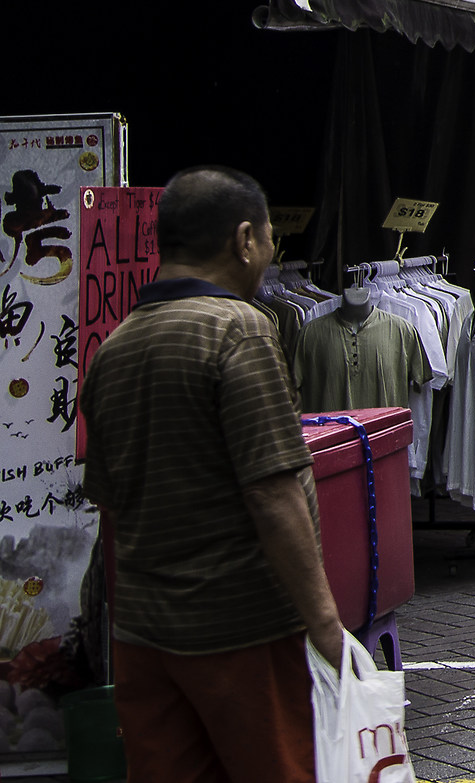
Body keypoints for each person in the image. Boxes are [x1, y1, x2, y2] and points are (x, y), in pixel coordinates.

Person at [83, 165, 344, 783]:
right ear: (245, 239)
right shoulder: (238, 330)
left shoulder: (114, 347)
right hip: (241, 628)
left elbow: (110, 504)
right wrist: (326, 626)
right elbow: (273, 490)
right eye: (271, 237)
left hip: (146, 637)